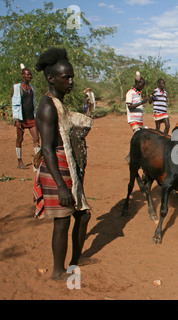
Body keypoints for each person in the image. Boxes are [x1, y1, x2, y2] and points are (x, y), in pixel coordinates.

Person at [34, 47, 94, 281]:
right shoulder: (47, 106)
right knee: (62, 220)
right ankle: (58, 270)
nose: (70, 81)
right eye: (65, 77)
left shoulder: (58, 103)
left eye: (72, 77)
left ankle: (76, 259)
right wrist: (60, 186)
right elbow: (46, 148)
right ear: (51, 78)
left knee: (83, 215)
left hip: (66, 166)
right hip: (55, 168)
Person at [12, 64, 40, 169]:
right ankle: (19, 161)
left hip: (31, 118)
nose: (29, 76)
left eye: (30, 75)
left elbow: (33, 102)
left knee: (36, 138)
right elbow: (15, 103)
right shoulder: (17, 87)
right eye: (27, 75)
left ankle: (37, 163)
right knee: (19, 139)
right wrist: (16, 119)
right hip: (21, 119)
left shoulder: (31, 88)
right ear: (22, 75)